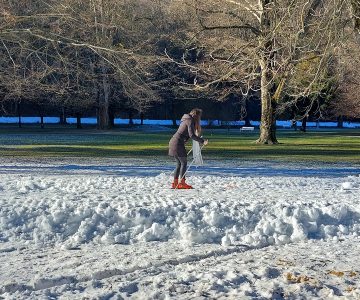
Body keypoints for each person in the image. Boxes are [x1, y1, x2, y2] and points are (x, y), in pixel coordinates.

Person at [168, 108, 208, 189]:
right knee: (183, 163)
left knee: (179, 164)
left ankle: (175, 183)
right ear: (196, 115)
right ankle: (181, 183)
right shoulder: (190, 120)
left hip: (174, 141)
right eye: (199, 116)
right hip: (177, 143)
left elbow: (184, 133)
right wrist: (202, 141)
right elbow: (192, 135)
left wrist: (185, 140)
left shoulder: (186, 119)